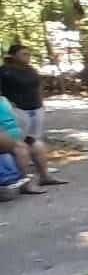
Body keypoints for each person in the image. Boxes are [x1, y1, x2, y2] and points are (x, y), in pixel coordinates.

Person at [0, 44, 66, 192]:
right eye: (24, 54)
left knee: (36, 142)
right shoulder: (4, 71)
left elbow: (38, 86)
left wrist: (41, 102)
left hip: (34, 107)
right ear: (13, 56)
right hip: (18, 110)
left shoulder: (30, 70)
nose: (27, 56)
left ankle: (44, 176)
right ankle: (24, 182)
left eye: (28, 54)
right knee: (21, 146)